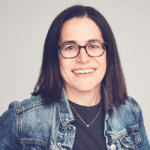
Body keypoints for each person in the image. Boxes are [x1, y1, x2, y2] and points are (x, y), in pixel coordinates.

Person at [0, 5, 149, 150]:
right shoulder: (22, 119)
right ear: (55, 56)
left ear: (108, 53)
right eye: (70, 47)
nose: (83, 58)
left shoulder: (130, 112)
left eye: (93, 46)